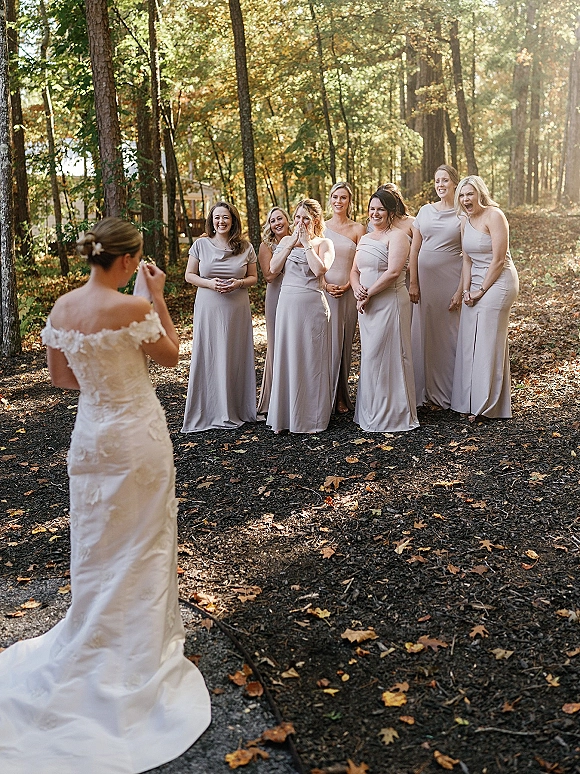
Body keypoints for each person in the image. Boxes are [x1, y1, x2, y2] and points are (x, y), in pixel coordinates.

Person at [0, 218, 211, 773]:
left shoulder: (62, 308)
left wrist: (103, 385)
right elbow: (171, 356)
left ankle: (95, 635)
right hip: (137, 435)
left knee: (98, 543)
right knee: (144, 539)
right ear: (128, 262)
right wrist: (158, 296)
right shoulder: (133, 307)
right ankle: (136, 651)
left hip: (92, 435)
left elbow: (61, 379)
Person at [182, 201, 257, 432]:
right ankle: (209, 408)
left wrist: (238, 283)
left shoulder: (245, 247)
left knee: (234, 354)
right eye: (217, 217)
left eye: (225, 217)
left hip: (236, 308)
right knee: (210, 352)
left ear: (233, 220)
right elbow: (189, 275)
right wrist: (210, 284)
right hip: (209, 306)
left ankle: (236, 407)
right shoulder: (200, 244)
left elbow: (254, 278)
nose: (221, 221)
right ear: (211, 221)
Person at [451, 176, 519, 420]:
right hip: (476, 283)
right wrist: (465, 290)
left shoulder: (495, 216)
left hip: (499, 282)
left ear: (480, 193)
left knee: (487, 341)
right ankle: (467, 401)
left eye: (470, 194)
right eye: (462, 195)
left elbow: (498, 260)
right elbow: (467, 260)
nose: (465, 199)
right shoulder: (465, 220)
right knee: (469, 339)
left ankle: (487, 407)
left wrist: (480, 291)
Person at [351, 190, 419, 433]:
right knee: (371, 356)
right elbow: (354, 271)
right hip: (366, 306)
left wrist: (368, 294)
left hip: (390, 303)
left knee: (392, 355)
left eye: (380, 209)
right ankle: (371, 412)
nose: (375, 213)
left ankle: (395, 414)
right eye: (372, 209)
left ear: (391, 212)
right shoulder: (365, 238)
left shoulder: (398, 236)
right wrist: (357, 289)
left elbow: (393, 273)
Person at [267, 199, 335, 433]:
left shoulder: (324, 243)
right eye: (297, 217)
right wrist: (290, 244)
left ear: (315, 220)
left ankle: (311, 418)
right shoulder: (285, 241)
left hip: (313, 307)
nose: (300, 222)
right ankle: (285, 417)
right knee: (288, 356)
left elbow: (319, 270)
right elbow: (273, 268)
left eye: (305, 218)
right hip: (287, 306)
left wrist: (306, 243)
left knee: (311, 359)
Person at [409, 164, 463, 408]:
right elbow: (414, 249)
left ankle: (451, 390)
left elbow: (468, 254)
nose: (440, 185)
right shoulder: (425, 211)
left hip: (450, 279)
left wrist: (460, 290)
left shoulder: (462, 214)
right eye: (437, 180)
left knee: (448, 333)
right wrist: (413, 282)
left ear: (454, 183)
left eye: (445, 180)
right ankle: (423, 390)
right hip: (424, 281)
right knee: (424, 331)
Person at [323, 182, 366, 413]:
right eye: (335, 197)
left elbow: (361, 264)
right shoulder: (320, 227)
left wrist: (350, 285)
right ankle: (323, 397)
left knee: (344, 343)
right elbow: (314, 262)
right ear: (329, 199)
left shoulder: (358, 229)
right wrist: (325, 285)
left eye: (343, 197)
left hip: (348, 292)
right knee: (325, 344)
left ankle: (340, 395)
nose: (338, 201)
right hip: (324, 291)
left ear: (349, 201)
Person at [256, 206, 292, 417]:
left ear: (287, 220)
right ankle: (273, 401)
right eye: (273, 221)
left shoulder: (298, 239)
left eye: (280, 218)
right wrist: (286, 254)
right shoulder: (267, 245)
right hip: (277, 295)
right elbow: (269, 276)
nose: (277, 223)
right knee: (276, 344)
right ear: (269, 225)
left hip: (297, 295)